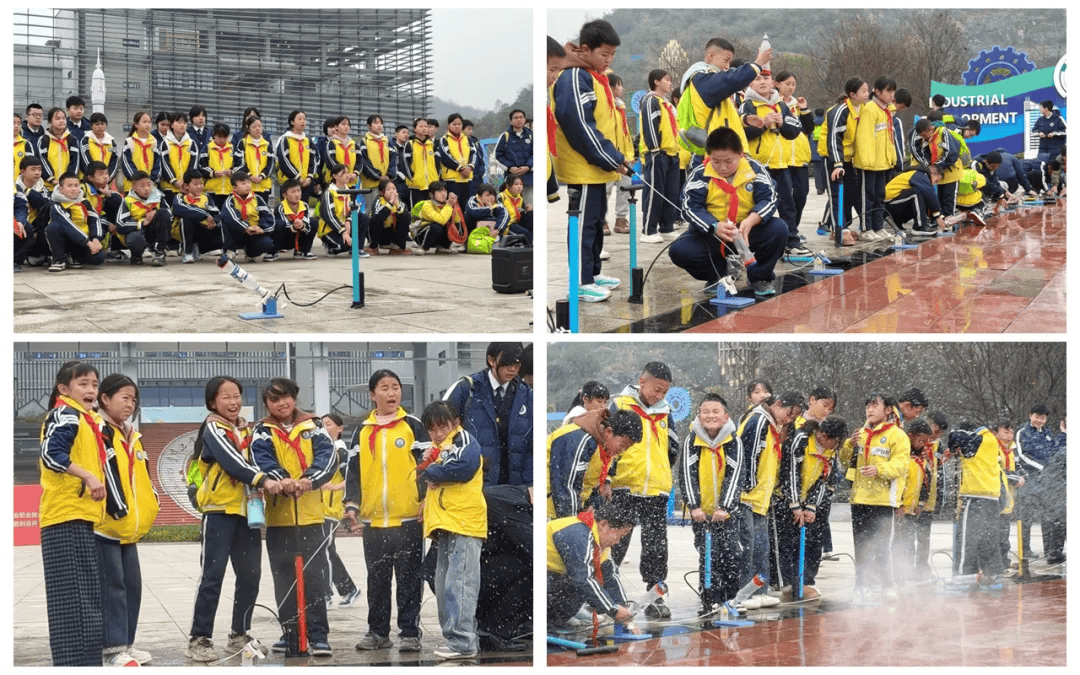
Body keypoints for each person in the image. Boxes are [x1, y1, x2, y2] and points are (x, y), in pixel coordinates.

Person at [186, 376, 280, 662]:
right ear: (213, 402)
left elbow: (260, 460)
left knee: (251, 575)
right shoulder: (213, 428)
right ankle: (199, 638)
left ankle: (239, 634)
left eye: (237, 395)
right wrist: (263, 480)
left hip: (248, 511)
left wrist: (281, 479)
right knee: (212, 575)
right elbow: (232, 462)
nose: (233, 402)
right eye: (225, 397)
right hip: (219, 511)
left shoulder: (246, 431)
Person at [39, 361, 124, 666]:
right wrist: (87, 476)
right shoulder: (65, 414)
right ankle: (73, 664)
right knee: (73, 603)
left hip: (81, 516)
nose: (91, 390)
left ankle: (86, 663)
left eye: (94, 384)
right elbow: (51, 455)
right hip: (65, 516)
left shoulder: (86, 420)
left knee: (85, 601)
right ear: (64, 389)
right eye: (83, 384)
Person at [343, 369, 428, 653]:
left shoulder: (413, 426)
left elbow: (427, 466)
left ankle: (410, 632)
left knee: (409, 580)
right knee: (377, 580)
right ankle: (378, 632)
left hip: (408, 520)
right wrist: (351, 503)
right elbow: (353, 472)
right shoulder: (362, 431)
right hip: (374, 522)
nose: (391, 393)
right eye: (384, 388)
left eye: (395, 387)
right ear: (372, 395)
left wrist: (425, 499)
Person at [250, 378, 336, 657]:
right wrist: (283, 480)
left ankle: (319, 635)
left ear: (295, 398)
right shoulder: (262, 430)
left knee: (314, 578)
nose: (281, 404)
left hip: (312, 517)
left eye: (285, 397)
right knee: (284, 580)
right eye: (274, 400)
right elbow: (261, 460)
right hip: (279, 519)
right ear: (267, 404)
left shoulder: (314, 426)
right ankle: (291, 634)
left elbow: (327, 458)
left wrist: (309, 479)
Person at [551, 19, 627, 303]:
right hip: (583, 167)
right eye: (604, 54)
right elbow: (579, 123)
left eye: (612, 55)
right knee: (582, 226)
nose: (608, 60)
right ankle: (580, 282)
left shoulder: (595, 76)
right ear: (584, 49)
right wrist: (610, 157)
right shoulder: (574, 76)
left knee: (595, 224)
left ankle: (592, 274)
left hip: (597, 167)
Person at [669, 126, 789, 297]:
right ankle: (718, 275)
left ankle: (760, 277)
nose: (723, 168)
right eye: (716, 162)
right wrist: (714, 226)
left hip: (746, 230)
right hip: (713, 232)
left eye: (728, 161)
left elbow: (769, 198)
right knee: (680, 251)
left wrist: (752, 219)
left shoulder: (754, 169)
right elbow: (690, 207)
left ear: (740, 154)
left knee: (779, 229)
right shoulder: (700, 174)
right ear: (709, 155)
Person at [94, 374, 160, 667]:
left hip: (128, 529)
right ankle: (111, 650)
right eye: (124, 397)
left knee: (132, 588)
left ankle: (126, 644)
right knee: (113, 589)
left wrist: (153, 503)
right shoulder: (99, 430)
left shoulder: (131, 435)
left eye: (134, 399)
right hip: (106, 526)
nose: (130, 404)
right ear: (105, 399)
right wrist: (116, 509)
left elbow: (143, 477)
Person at [417, 401, 487, 660]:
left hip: (464, 523)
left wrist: (433, 471)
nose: (437, 433)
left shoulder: (464, 441)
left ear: (456, 423)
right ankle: (456, 638)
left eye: (442, 426)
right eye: (432, 429)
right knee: (445, 584)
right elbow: (421, 475)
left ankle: (463, 641)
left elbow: (464, 468)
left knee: (461, 584)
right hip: (445, 524)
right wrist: (429, 468)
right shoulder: (437, 449)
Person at [606, 362, 677, 617]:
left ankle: (654, 598)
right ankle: (606, 597)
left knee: (656, 548)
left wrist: (660, 471)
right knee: (614, 543)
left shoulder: (665, 412)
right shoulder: (619, 405)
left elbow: (672, 448)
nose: (659, 396)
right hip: (624, 487)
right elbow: (607, 444)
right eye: (656, 389)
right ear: (642, 381)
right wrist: (610, 477)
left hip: (656, 490)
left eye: (664, 392)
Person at [839, 393, 910, 604]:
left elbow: (901, 465)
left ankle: (887, 585)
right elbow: (845, 461)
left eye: (874, 406)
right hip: (860, 498)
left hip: (883, 500)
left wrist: (879, 470)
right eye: (867, 406)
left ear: (888, 410)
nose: (869, 410)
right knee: (861, 546)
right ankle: (861, 586)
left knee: (882, 546)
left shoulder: (898, 435)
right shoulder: (860, 433)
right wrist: (849, 445)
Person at [679, 394, 745, 612]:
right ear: (699, 416)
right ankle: (710, 598)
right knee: (708, 555)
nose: (710, 416)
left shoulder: (733, 441)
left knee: (731, 554)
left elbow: (735, 476)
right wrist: (694, 506)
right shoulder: (692, 441)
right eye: (705, 412)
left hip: (727, 514)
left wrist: (725, 507)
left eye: (715, 411)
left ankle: (731, 598)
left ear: (726, 416)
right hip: (702, 514)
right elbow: (687, 475)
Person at [738, 390, 804, 607]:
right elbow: (747, 455)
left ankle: (760, 591)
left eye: (794, 417)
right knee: (748, 549)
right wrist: (748, 485)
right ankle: (744, 595)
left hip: (761, 499)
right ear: (777, 404)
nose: (789, 420)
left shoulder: (771, 425)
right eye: (789, 413)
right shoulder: (758, 421)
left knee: (761, 548)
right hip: (747, 497)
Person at [777, 415, 848, 600]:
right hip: (785, 498)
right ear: (823, 435)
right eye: (836, 441)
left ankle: (806, 582)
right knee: (787, 544)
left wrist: (811, 506)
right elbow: (790, 474)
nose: (837, 446)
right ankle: (788, 584)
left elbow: (824, 480)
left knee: (813, 541)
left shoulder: (831, 450)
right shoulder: (800, 441)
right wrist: (795, 506)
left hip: (808, 499)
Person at [443, 342, 532, 486]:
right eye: (507, 364)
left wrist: (530, 484)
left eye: (517, 364)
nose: (513, 369)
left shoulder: (526, 395)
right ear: (491, 360)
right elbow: (442, 432)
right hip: (474, 482)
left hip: (515, 486)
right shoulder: (467, 389)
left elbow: (532, 446)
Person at [677, 38, 770, 166]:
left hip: (727, 153)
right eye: (726, 61)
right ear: (710, 56)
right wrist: (757, 64)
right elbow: (731, 80)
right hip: (714, 157)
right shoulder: (701, 80)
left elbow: (721, 116)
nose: (727, 67)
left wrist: (744, 119)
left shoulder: (712, 83)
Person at [740, 69, 804, 252]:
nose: (762, 82)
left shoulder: (781, 105)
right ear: (750, 84)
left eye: (766, 78)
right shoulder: (747, 106)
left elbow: (795, 130)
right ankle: (751, 242)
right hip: (757, 167)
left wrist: (782, 123)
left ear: (773, 82)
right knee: (755, 206)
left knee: (787, 206)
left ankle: (791, 242)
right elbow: (741, 133)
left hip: (781, 165)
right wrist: (763, 125)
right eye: (757, 79)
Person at [547, 503, 635, 630]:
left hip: (547, 576)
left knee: (587, 586)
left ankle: (554, 621)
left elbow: (610, 576)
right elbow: (582, 579)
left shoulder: (597, 539)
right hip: (530, 575)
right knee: (582, 585)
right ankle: (541, 622)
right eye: (619, 536)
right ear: (603, 524)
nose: (617, 542)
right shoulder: (578, 534)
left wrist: (624, 609)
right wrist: (613, 609)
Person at [943, 423, 1008, 585]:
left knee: (967, 539)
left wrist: (952, 448)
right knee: (988, 540)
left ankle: (962, 575)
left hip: (975, 497)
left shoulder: (978, 438)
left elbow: (955, 436)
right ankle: (992, 574)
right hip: (992, 499)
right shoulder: (991, 442)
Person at [547, 408, 642, 519]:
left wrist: (592, 504)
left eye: (627, 447)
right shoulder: (579, 439)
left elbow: (592, 483)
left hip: (567, 510)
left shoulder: (606, 448)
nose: (623, 450)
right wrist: (572, 523)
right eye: (623, 445)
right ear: (608, 432)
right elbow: (567, 487)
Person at [476, 484, 532, 652]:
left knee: (525, 566)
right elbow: (532, 546)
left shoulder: (509, 493)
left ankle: (490, 629)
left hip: (467, 567)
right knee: (533, 574)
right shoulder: (512, 504)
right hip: (468, 572)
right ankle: (494, 632)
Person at [318, 413, 361, 609]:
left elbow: (351, 479)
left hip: (331, 509)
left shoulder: (341, 452)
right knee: (327, 551)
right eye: (322, 425)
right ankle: (349, 589)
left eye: (328, 424)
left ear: (340, 429)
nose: (324, 428)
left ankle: (326, 594)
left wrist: (335, 488)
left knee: (323, 551)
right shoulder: (323, 450)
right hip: (320, 509)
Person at [822, 79, 869, 240]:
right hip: (832, 158)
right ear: (852, 94)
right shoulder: (840, 111)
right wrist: (837, 164)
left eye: (867, 90)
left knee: (849, 194)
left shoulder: (862, 109)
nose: (867, 94)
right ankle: (839, 230)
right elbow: (833, 139)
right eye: (863, 91)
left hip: (849, 159)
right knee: (836, 194)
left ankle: (846, 226)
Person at [852, 77, 899, 241]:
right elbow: (864, 137)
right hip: (869, 164)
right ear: (877, 92)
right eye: (888, 91)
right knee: (868, 197)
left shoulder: (887, 111)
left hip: (883, 163)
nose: (892, 95)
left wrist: (891, 158)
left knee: (880, 196)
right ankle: (866, 228)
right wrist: (867, 162)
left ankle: (878, 227)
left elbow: (889, 138)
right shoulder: (870, 109)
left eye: (893, 91)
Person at [1014, 404, 1060, 562]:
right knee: (1026, 518)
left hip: (1046, 482)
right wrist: (1042, 468)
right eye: (1037, 417)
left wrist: (1052, 469)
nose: (1040, 420)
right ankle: (1025, 549)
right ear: (1030, 415)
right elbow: (1022, 455)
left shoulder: (1047, 433)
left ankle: (1050, 550)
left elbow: (1053, 452)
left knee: (1048, 517)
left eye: (1043, 418)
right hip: (1029, 481)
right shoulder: (1023, 432)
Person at [639, 69, 681, 240]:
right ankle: (648, 230)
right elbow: (650, 125)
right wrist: (655, 148)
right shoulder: (651, 101)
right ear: (656, 82)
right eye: (667, 79)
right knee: (655, 192)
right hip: (658, 153)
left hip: (672, 152)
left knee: (671, 192)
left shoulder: (666, 104)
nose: (670, 83)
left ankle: (666, 227)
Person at [775, 71, 816, 240]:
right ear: (777, 84)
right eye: (787, 84)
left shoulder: (796, 105)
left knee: (801, 194)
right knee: (785, 200)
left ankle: (793, 228)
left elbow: (808, 128)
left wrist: (804, 109)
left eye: (793, 84)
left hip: (799, 157)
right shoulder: (773, 103)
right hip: (782, 159)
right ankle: (788, 232)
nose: (791, 87)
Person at [892, 419, 932, 585]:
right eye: (921, 440)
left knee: (909, 542)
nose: (923, 444)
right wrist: (899, 504)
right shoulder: (902, 456)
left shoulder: (922, 459)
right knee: (898, 542)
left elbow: (924, 483)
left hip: (912, 510)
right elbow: (895, 482)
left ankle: (906, 572)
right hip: (899, 509)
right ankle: (895, 574)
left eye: (926, 441)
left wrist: (921, 504)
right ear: (910, 436)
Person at [45, 172, 105, 272]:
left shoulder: (84, 202)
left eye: (76, 186)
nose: (73, 189)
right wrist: (88, 243)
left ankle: (74, 257)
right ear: (61, 189)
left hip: (82, 241)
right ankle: (59, 259)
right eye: (69, 186)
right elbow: (68, 225)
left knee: (98, 258)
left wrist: (96, 239)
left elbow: (95, 220)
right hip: (66, 240)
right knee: (53, 227)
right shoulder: (56, 204)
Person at [220, 170, 276, 262]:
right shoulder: (230, 200)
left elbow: (268, 216)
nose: (248, 186)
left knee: (267, 243)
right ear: (235, 188)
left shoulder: (257, 199)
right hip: (238, 233)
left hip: (254, 232)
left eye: (248, 183)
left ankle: (251, 253)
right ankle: (230, 250)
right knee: (226, 219)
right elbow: (230, 217)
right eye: (243, 184)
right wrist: (246, 228)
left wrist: (262, 229)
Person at [912, 118, 963, 218]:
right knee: (940, 198)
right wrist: (929, 166)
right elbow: (925, 154)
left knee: (949, 198)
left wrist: (937, 166)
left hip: (951, 171)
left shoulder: (943, 133)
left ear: (930, 129)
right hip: (939, 174)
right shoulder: (927, 139)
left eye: (924, 135)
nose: (923, 138)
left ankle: (949, 219)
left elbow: (951, 153)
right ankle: (941, 219)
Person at [171, 169, 223, 263]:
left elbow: (216, 214)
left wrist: (214, 223)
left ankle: (200, 247)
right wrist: (205, 215)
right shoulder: (180, 197)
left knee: (223, 223)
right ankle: (188, 252)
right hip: (181, 231)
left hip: (203, 229)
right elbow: (180, 209)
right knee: (188, 217)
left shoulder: (206, 197)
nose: (199, 187)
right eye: (195, 184)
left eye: (201, 183)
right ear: (186, 186)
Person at [991, 419, 1023, 567]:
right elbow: (998, 472)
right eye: (1005, 432)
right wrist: (1015, 478)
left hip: (1008, 499)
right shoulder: (993, 448)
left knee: (1004, 534)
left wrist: (1022, 475)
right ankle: (996, 563)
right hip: (996, 498)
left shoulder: (1012, 449)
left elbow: (1018, 467)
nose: (1009, 435)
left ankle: (1004, 562)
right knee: (995, 534)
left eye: (1011, 432)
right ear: (996, 433)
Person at [884, 164, 947, 235]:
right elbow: (930, 193)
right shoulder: (920, 175)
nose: (934, 184)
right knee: (916, 193)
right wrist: (937, 216)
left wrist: (941, 217)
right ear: (932, 173)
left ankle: (924, 223)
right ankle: (919, 227)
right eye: (936, 181)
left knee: (923, 195)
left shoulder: (918, 175)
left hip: (892, 206)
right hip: (887, 208)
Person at [318, 162, 362, 257]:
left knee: (363, 218)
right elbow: (329, 216)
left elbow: (355, 207)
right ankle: (329, 246)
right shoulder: (329, 192)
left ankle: (357, 249)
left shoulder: (349, 191)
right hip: (330, 228)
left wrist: (348, 220)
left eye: (348, 172)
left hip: (345, 225)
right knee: (344, 246)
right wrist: (343, 231)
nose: (348, 175)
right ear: (335, 176)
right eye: (343, 173)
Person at [275, 110, 318, 203]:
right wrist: (297, 177)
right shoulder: (285, 139)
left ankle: (354, 218)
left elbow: (313, 161)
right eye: (299, 119)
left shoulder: (308, 141)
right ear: (292, 122)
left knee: (303, 209)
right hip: (289, 183)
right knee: (288, 209)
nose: (303, 121)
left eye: (304, 119)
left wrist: (309, 177)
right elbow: (284, 161)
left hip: (305, 184)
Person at [436, 113, 477, 206]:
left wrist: (470, 167)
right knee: (453, 206)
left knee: (466, 205)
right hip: (452, 179)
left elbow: (474, 153)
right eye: (454, 124)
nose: (457, 126)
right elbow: (445, 157)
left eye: (459, 124)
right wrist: (460, 168)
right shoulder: (444, 139)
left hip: (467, 178)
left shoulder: (467, 139)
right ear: (448, 126)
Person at [495, 109, 534, 205]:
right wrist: (509, 167)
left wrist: (528, 167)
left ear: (524, 120)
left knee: (530, 207)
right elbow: (498, 156)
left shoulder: (531, 135)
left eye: (521, 117)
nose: (518, 120)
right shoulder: (505, 136)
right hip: (511, 181)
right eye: (515, 118)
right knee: (512, 207)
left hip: (529, 179)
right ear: (511, 121)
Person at [159, 112, 198, 205]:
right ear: (172, 125)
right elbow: (164, 163)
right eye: (179, 122)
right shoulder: (165, 143)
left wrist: (187, 182)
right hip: (169, 188)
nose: (182, 125)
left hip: (186, 189)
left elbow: (193, 164)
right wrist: (174, 181)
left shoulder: (191, 144)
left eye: (184, 123)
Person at [360, 115, 397, 212]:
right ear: (369, 125)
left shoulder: (387, 141)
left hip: (386, 183)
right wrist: (377, 175)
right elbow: (364, 162)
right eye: (376, 123)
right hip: (371, 183)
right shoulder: (364, 141)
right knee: (371, 210)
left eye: (381, 123)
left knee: (388, 209)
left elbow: (393, 159)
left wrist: (390, 175)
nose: (379, 125)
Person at [412, 180, 460, 255]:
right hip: (421, 235)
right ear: (431, 195)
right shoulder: (426, 205)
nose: (443, 194)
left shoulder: (447, 205)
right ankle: (423, 247)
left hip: (436, 235)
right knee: (436, 227)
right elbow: (441, 220)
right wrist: (449, 206)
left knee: (451, 225)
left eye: (445, 191)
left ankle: (443, 247)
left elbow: (457, 221)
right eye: (440, 191)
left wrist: (454, 207)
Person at [273, 178, 317, 259]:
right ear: (285, 195)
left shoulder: (304, 205)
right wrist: (294, 226)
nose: (297, 194)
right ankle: (273, 252)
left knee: (313, 222)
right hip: (285, 239)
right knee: (279, 223)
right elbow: (282, 226)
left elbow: (307, 225)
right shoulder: (280, 207)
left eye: (299, 191)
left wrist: (302, 225)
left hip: (299, 234)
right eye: (293, 192)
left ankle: (304, 251)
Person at [233, 116, 274, 202]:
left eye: (259, 126)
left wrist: (262, 176)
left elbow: (271, 164)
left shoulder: (267, 144)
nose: (257, 129)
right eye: (254, 127)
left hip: (263, 186)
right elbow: (239, 162)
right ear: (249, 129)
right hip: (247, 186)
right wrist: (250, 176)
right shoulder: (243, 143)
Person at [369, 177, 412, 254]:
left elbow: (408, 219)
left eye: (394, 189)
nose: (392, 191)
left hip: (393, 233)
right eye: (388, 189)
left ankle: (399, 247)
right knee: (374, 221)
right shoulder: (378, 201)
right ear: (381, 192)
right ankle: (373, 247)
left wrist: (397, 206)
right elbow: (377, 218)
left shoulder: (399, 202)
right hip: (381, 234)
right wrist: (390, 203)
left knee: (404, 217)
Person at [38, 107, 79, 189]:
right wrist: (51, 179)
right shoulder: (44, 140)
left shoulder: (72, 139)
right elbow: (42, 160)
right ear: (50, 121)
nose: (61, 121)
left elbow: (75, 161)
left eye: (63, 118)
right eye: (57, 119)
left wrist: (68, 180)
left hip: (67, 187)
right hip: (48, 186)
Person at [121, 112, 161, 193]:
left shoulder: (154, 142)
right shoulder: (129, 142)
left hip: (150, 187)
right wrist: (137, 180)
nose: (147, 125)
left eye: (149, 122)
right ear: (136, 124)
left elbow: (158, 164)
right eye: (144, 122)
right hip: (132, 187)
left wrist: (152, 180)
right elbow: (126, 164)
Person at [403, 118, 438, 209]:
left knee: (431, 211)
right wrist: (411, 177)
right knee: (417, 211)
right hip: (416, 186)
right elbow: (405, 163)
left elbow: (438, 163)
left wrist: (436, 176)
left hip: (431, 185)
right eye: (421, 126)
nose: (424, 128)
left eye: (426, 126)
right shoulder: (410, 144)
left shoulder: (432, 144)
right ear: (415, 129)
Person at [201, 122, 234, 208]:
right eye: (219, 137)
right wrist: (212, 173)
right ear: (214, 135)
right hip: (211, 190)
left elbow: (240, 165)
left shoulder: (233, 149)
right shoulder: (207, 148)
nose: (222, 140)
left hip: (229, 190)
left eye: (225, 137)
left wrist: (232, 172)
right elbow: (201, 166)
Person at [79, 112, 118, 184]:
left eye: (102, 124)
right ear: (91, 126)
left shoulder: (111, 142)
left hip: (106, 182)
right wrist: (95, 177)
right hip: (89, 181)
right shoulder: (85, 141)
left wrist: (107, 178)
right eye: (97, 124)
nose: (100, 127)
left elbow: (114, 162)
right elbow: (85, 161)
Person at [499, 174, 533, 242]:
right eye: (516, 184)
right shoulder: (501, 197)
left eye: (521, 184)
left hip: (517, 222)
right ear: (508, 186)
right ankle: (529, 246)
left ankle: (529, 244)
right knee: (525, 233)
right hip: (508, 225)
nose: (519, 187)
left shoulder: (520, 198)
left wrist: (528, 211)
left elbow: (522, 214)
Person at [1032, 99, 1066, 164]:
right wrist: (1039, 133)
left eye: (1041, 107)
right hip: (1043, 149)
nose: (1040, 109)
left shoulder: (1058, 119)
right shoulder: (1040, 120)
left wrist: (1054, 133)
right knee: (1041, 166)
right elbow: (1033, 131)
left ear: (1046, 109)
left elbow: (1064, 132)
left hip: (1055, 150)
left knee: (1054, 167)